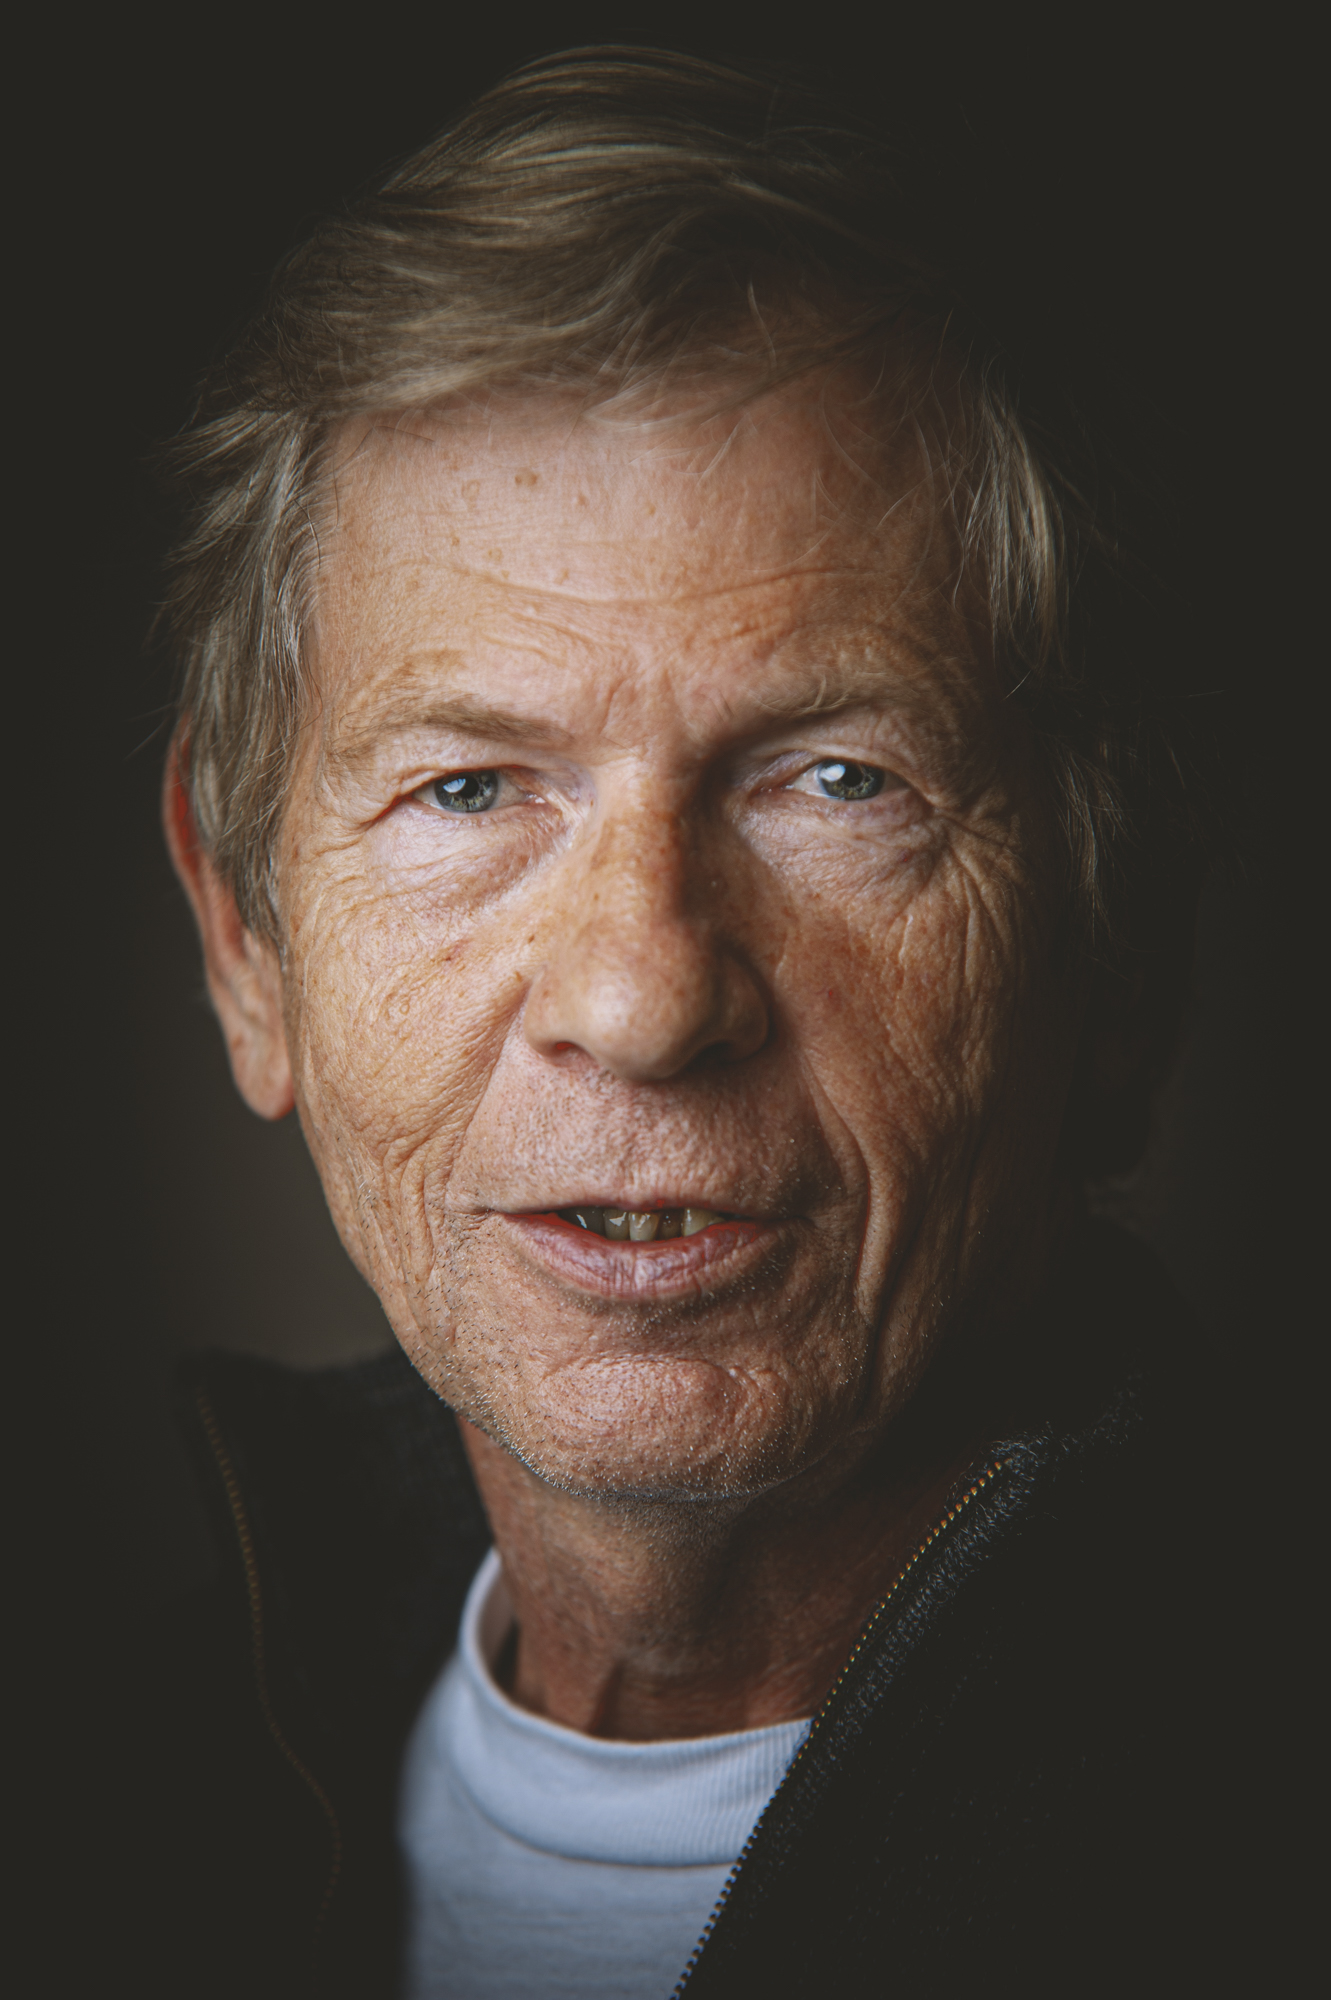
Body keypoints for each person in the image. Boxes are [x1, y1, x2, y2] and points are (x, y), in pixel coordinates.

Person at [159, 48, 1220, 1998]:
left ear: (1118, 934)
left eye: (837, 781)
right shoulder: (108, 1701)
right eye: (468, 789)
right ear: (245, 939)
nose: (643, 998)